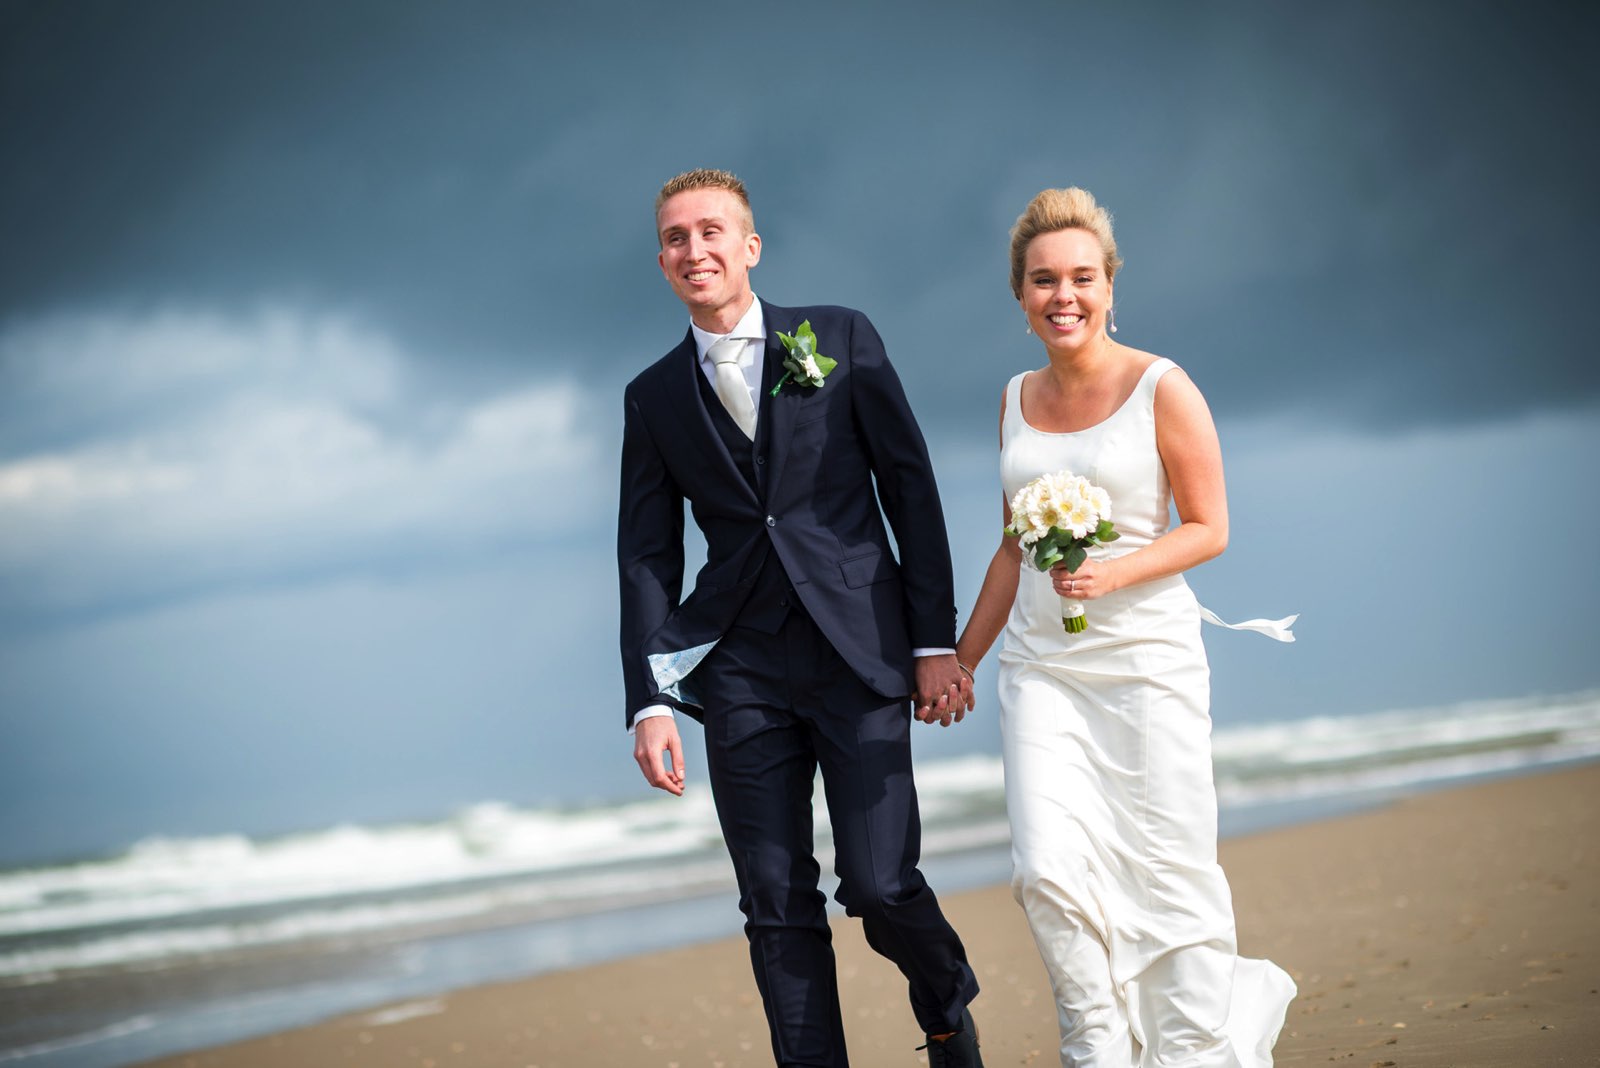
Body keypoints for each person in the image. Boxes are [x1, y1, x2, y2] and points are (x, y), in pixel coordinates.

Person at [617, 168, 984, 1068]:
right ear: (661, 261)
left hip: (860, 649)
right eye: (674, 238)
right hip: (738, 665)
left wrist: (934, 641)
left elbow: (911, 488)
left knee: (881, 883)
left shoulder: (840, 337)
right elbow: (647, 554)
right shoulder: (653, 395)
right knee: (776, 903)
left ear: (750, 246)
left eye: (710, 232)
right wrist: (650, 701)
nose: (693, 250)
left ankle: (944, 1007)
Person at [952, 187, 1297, 1068]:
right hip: (1041, 671)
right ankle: (1096, 1051)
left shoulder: (1161, 386)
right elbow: (1007, 547)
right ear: (1020, 297)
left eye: (1079, 278)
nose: (1061, 296)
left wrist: (1112, 570)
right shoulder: (1012, 399)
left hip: (1147, 665)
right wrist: (960, 661)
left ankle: (1188, 1051)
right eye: (1041, 281)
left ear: (1109, 286)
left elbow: (1209, 526)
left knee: (1168, 876)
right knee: (1046, 874)